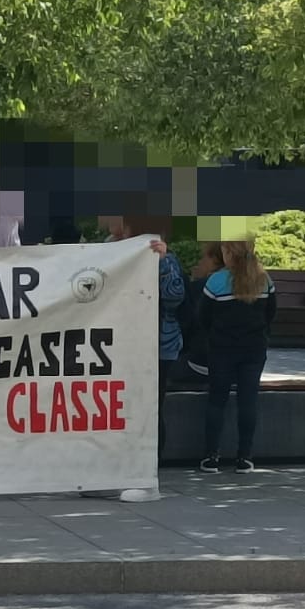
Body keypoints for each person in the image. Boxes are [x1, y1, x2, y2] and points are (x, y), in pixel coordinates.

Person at [105, 215, 184, 503]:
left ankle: (148, 471)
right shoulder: (109, 249)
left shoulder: (164, 257)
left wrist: (161, 264)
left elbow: (176, 296)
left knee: (149, 406)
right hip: (120, 344)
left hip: (156, 346)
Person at [197, 238, 276, 473]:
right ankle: (245, 456)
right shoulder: (264, 279)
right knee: (248, 401)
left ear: (229, 252)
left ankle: (211, 456)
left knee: (217, 401)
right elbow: (271, 313)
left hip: (222, 349)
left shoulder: (217, 281)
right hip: (254, 349)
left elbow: (203, 317)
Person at [178, 241, 224, 387]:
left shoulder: (201, 287)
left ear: (213, 260)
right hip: (237, 368)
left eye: (202, 258)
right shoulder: (247, 285)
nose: (200, 262)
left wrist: (195, 282)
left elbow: (186, 325)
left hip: (201, 364)